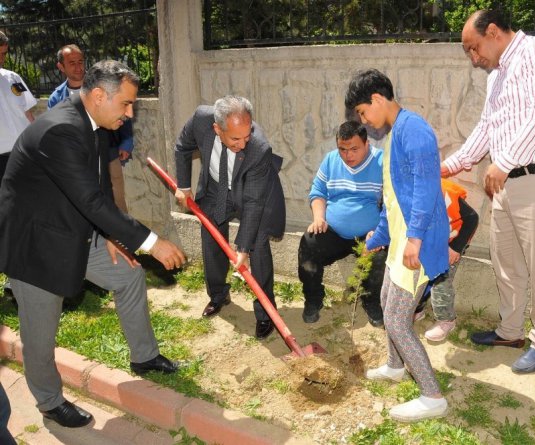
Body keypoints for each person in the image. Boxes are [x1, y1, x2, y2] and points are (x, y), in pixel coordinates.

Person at [0, 60, 186, 429]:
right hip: (36, 245)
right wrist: (151, 243)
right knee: (41, 332)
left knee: (128, 276)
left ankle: (144, 357)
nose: (130, 113)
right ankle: (50, 401)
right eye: (127, 104)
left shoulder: (99, 123)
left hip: (76, 231)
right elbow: (90, 200)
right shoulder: (60, 130)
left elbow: (99, 185)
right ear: (99, 96)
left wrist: (112, 236)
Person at [443, 10, 535, 373]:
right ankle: (510, 331)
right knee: (507, 262)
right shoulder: (496, 76)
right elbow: (488, 126)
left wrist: (504, 162)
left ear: (493, 31)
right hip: (506, 184)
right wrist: (452, 164)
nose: (474, 59)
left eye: (474, 48)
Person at [346, 69, 449, 422]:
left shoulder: (414, 129)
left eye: (362, 112)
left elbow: (425, 189)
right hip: (401, 242)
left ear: (377, 99)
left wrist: (415, 240)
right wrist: (378, 237)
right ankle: (394, 366)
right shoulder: (393, 135)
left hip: (416, 244)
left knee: (396, 320)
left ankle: (433, 395)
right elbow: (392, 199)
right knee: (388, 302)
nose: (363, 120)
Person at [174, 96, 285, 340]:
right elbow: (182, 147)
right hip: (216, 189)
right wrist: (183, 186)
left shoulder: (258, 147)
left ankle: (266, 313)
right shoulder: (201, 120)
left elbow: (254, 203)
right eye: (235, 138)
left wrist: (243, 248)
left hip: (250, 192)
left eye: (247, 136)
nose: (243, 144)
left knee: (257, 247)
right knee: (211, 239)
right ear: (217, 128)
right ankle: (218, 294)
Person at [299, 120, 385, 327]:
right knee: (309, 243)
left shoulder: (382, 162)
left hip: (369, 234)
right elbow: (318, 192)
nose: (348, 155)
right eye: (342, 149)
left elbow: (392, 204)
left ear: (367, 144)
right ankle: (313, 298)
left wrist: (380, 232)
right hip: (333, 232)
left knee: (381, 256)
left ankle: (371, 300)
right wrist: (319, 217)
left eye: (354, 149)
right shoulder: (331, 160)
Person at [48, 44, 134, 212]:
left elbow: (123, 110)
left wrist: (126, 142)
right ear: (61, 67)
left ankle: (122, 236)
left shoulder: (103, 86)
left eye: (80, 61)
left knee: (116, 196)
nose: (78, 66)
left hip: (108, 151)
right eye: (72, 63)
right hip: (76, 158)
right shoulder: (56, 98)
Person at [414, 179, 479, 341]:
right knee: (415, 277)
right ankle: (417, 309)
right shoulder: (405, 192)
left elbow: (472, 218)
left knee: (440, 282)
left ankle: (446, 320)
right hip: (425, 244)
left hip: (450, 245)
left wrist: (456, 247)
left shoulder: (444, 193)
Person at [0, 31, 36, 299]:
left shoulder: (12, 78)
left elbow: (28, 114)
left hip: (22, 155)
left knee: (24, 216)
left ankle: (17, 282)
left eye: (3, 52)